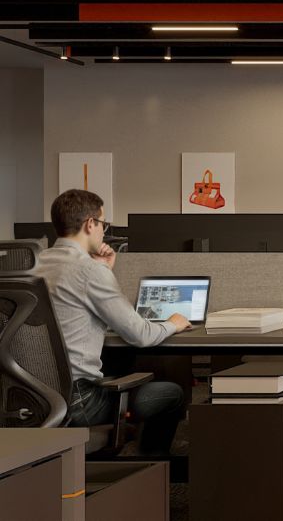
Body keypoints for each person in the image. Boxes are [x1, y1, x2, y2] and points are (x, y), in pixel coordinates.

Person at [33, 189, 192, 455]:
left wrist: (104, 270)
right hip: (79, 401)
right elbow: (140, 334)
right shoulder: (89, 270)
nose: (103, 232)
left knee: (122, 365)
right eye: (103, 224)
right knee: (172, 393)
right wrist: (173, 323)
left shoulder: (33, 264)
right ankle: (148, 468)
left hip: (28, 397)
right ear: (90, 224)